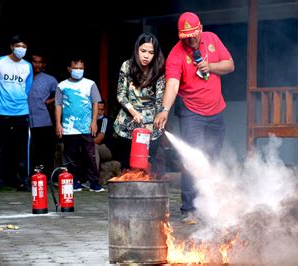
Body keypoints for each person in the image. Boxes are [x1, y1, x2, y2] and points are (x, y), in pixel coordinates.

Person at [154, 12, 235, 224]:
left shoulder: (212, 39)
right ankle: (189, 209)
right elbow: (172, 85)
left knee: (213, 158)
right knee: (192, 159)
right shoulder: (176, 55)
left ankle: (212, 205)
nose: (191, 39)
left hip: (216, 110)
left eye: (193, 34)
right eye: (186, 36)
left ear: (200, 29)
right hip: (192, 113)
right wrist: (164, 109)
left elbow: (229, 64)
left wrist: (211, 67)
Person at [113, 32, 166, 177]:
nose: (146, 56)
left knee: (148, 164)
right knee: (127, 164)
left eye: (150, 52)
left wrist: (159, 117)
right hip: (128, 121)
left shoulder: (159, 70)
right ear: (137, 50)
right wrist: (133, 112)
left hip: (150, 124)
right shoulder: (127, 66)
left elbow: (160, 99)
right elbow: (120, 94)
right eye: (143, 51)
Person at [0, 34, 33, 193]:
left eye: (24, 47)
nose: (22, 49)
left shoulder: (27, 66)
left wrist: (19, 101)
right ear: (11, 47)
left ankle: (23, 181)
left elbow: (27, 87)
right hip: (2, 111)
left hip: (21, 111)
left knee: (22, 149)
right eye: (19, 46)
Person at [54, 57, 105, 192]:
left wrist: (94, 122)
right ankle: (74, 182)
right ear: (69, 69)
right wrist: (58, 124)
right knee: (71, 156)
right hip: (69, 127)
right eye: (75, 68)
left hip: (86, 126)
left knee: (90, 155)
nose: (78, 70)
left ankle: (94, 183)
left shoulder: (90, 84)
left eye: (81, 68)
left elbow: (96, 104)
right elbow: (58, 105)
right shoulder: (62, 86)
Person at [28, 51, 58, 177]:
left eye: (40, 62)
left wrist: (49, 101)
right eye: (34, 62)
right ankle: (28, 175)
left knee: (43, 150)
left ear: (44, 64)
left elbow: (61, 95)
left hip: (43, 120)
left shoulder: (50, 80)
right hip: (24, 119)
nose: (37, 65)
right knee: (28, 150)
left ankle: (44, 176)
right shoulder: (24, 77)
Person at [94, 100, 114, 171]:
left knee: (93, 147)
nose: (99, 112)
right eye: (97, 109)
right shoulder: (89, 120)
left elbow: (99, 140)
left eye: (101, 110)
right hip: (90, 144)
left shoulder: (105, 120)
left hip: (107, 149)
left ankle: (94, 177)